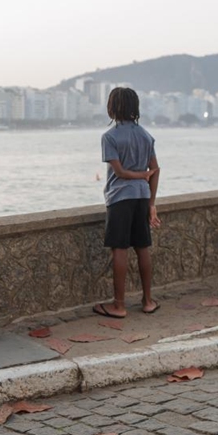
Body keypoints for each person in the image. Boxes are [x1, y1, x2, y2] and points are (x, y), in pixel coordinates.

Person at [94, 87, 161, 319]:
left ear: (112, 108)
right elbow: (156, 170)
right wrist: (151, 203)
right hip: (142, 197)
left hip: (120, 198)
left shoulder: (110, 137)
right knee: (143, 247)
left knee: (120, 248)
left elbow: (120, 172)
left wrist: (139, 175)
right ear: (135, 107)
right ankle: (148, 300)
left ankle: (119, 305)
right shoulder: (145, 135)